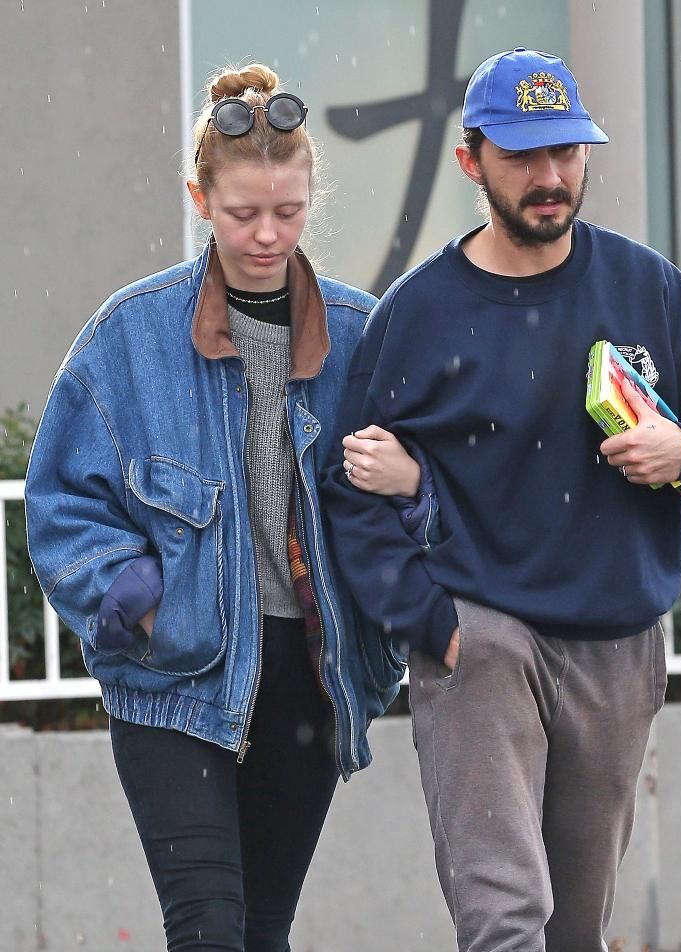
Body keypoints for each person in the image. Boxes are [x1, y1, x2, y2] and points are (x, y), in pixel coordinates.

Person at [321, 48, 681, 951]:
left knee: (575, 929)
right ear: (470, 161)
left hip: (616, 641)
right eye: (524, 155)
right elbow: (350, 482)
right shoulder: (417, 313)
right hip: (477, 636)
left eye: (567, 151)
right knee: (506, 922)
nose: (551, 176)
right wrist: (425, 617)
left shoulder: (647, 287)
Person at [24, 64, 425, 951]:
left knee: (263, 933)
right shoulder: (130, 336)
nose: (267, 235)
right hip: (173, 673)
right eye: (244, 213)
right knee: (207, 929)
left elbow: (424, 503)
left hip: (311, 679)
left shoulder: (364, 335)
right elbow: (58, 505)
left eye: (287, 212)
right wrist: (139, 598)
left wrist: (413, 489)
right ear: (200, 198)